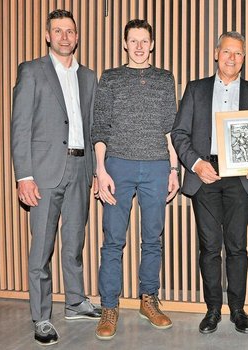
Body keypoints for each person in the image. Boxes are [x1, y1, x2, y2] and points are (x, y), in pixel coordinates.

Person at [11, 9, 101, 346]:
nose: (65, 36)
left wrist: (93, 170)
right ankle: (42, 317)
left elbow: (91, 127)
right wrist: (24, 176)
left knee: (74, 242)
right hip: (45, 172)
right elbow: (19, 127)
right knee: (42, 250)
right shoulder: (32, 71)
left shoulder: (89, 77)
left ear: (77, 37)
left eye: (70, 31)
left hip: (80, 169)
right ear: (48, 35)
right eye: (58, 31)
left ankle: (75, 301)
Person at [170, 31, 248, 335]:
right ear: (216, 53)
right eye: (227, 52)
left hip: (240, 177)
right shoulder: (196, 89)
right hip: (205, 174)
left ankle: (238, 309)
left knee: (237, 247)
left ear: (244, 57)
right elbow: (179, 133)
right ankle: (212, 309)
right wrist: (197, 164)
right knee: (209, 247)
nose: (232, 58)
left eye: (238, 53)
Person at [91, 19, 180, 340]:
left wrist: (173, 170)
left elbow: (171, 127)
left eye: (145, 41)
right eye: (134, 41)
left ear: (152, 44)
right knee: (113, 240)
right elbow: (99, 127)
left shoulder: (164, 79)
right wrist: (100, 171)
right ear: (125, 44)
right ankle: (109, 307)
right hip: (118, 166)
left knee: (152, 239)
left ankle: (148, 299)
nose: (140, 46)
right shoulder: (111, 78)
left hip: (157, 166)